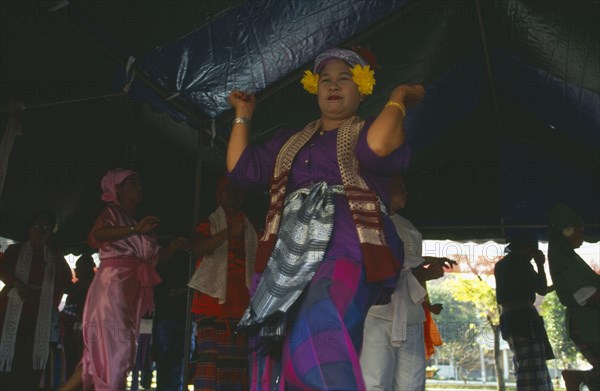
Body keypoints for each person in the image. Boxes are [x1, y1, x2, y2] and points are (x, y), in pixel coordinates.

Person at [227, 46, 424, 389]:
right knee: (274, 340)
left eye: (345, 79)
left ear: (362, 88)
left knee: (321, 322)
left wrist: (397, 99)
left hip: (347, 244)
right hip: (288, 253)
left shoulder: (366, 131)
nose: (333, 86)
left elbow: (376, 149)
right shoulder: (289, 140)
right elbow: (241, 172)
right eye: (326, 80)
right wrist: (243, 114)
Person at [59, 168, 188, 391]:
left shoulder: (142, 223)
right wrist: (133, 229)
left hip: (131, 291)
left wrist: (174, 247)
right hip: (113, 287)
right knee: (116, 352)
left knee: (104, 355)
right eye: (133, 183)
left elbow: (154, 260)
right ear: (118, 189)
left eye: (140, 184)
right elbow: (98, 235)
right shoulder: (112, 212)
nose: (139, 187)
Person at [360, 174, 455, 390]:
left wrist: (427, 297)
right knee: (376, 381)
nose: (405, 191)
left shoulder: (410, 228)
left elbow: (412, 268)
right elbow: (376, 269)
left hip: (410, 315)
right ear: (382, 186)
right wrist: (421, 274)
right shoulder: (365, 222)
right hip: (377, 313)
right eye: (399, 186)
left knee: (412, 383)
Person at [187, 177, 257, 390]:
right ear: (219, 195)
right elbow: (198, 250)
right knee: (211, 364)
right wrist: (227, 233)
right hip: (211, 305)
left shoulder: (252, 229)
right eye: (229, 190)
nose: (234, 195)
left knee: (238, 367)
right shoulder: (207, 224)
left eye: (238, 191)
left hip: (242, 307)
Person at [0, 210, 73, 391]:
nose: (41, 230)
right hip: (11, 310)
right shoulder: (15, 250)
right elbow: (2, 270)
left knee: (31, 359)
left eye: (45, 227)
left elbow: (65, 280)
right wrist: (16, 282)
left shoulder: (54, 254)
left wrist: (57, 259)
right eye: (37, 226)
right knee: (9, 354)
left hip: (40, 315)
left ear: (50, 232)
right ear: (29, 229)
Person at [548, 203, 599, 391]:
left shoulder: (565, 255)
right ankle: (575, 378)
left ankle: (576, 378)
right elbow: (583, 293)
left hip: (587, 323)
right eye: (580, 231)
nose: (583, 236)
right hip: (587, 324)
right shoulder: (564, 259)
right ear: (568, 232)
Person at [494, 230, 554, 390]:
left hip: (511, 320)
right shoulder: (522, 265)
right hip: (524, 320)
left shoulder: (502, 265)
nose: (532, 254)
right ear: (521, 248)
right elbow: (541, 288)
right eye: (530, 250)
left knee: (525, 365)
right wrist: (540, 264)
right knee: (534, 368)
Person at [62, 247, 96, 379]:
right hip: (78, 330)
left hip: (79, 331)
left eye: (78, 267)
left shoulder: (84, 286)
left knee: (77, 362)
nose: (76, 270)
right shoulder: (86, 285)